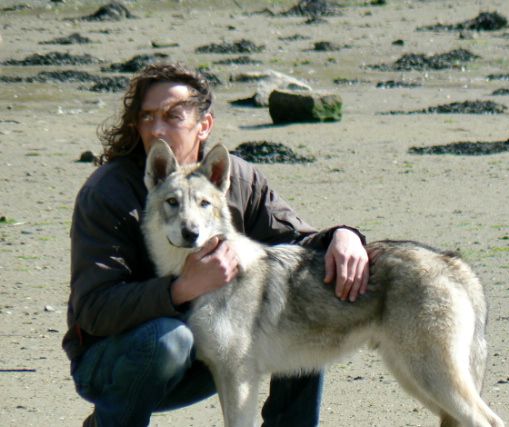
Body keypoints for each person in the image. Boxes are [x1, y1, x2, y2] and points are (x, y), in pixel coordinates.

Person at [62, 63, 370, 427]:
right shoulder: (108, 193)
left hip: (208, 344)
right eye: (146, 117)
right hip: (114, 360)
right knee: (169, 339)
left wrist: (342, 235)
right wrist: (180, 289)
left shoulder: (236, 178)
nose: (156, 128)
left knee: (301, 295)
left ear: (204, 125)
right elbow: (93, 309)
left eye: (172, 116)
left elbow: (297, 241)